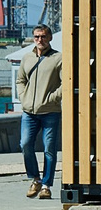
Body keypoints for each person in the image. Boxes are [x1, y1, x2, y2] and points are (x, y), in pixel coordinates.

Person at [16, 23, 64, 199]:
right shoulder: (27, 58)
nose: (40, 40)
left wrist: (53, 98)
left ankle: (46, 185)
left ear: (50, 38)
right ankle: (35, 178)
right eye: (36, 37)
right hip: (29, 112)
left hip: (50, 111)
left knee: (49, 149)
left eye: (43, 36)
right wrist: (23, 97)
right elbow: (20, 80)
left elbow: (65, 82)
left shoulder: (58, 58)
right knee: (25, 144)